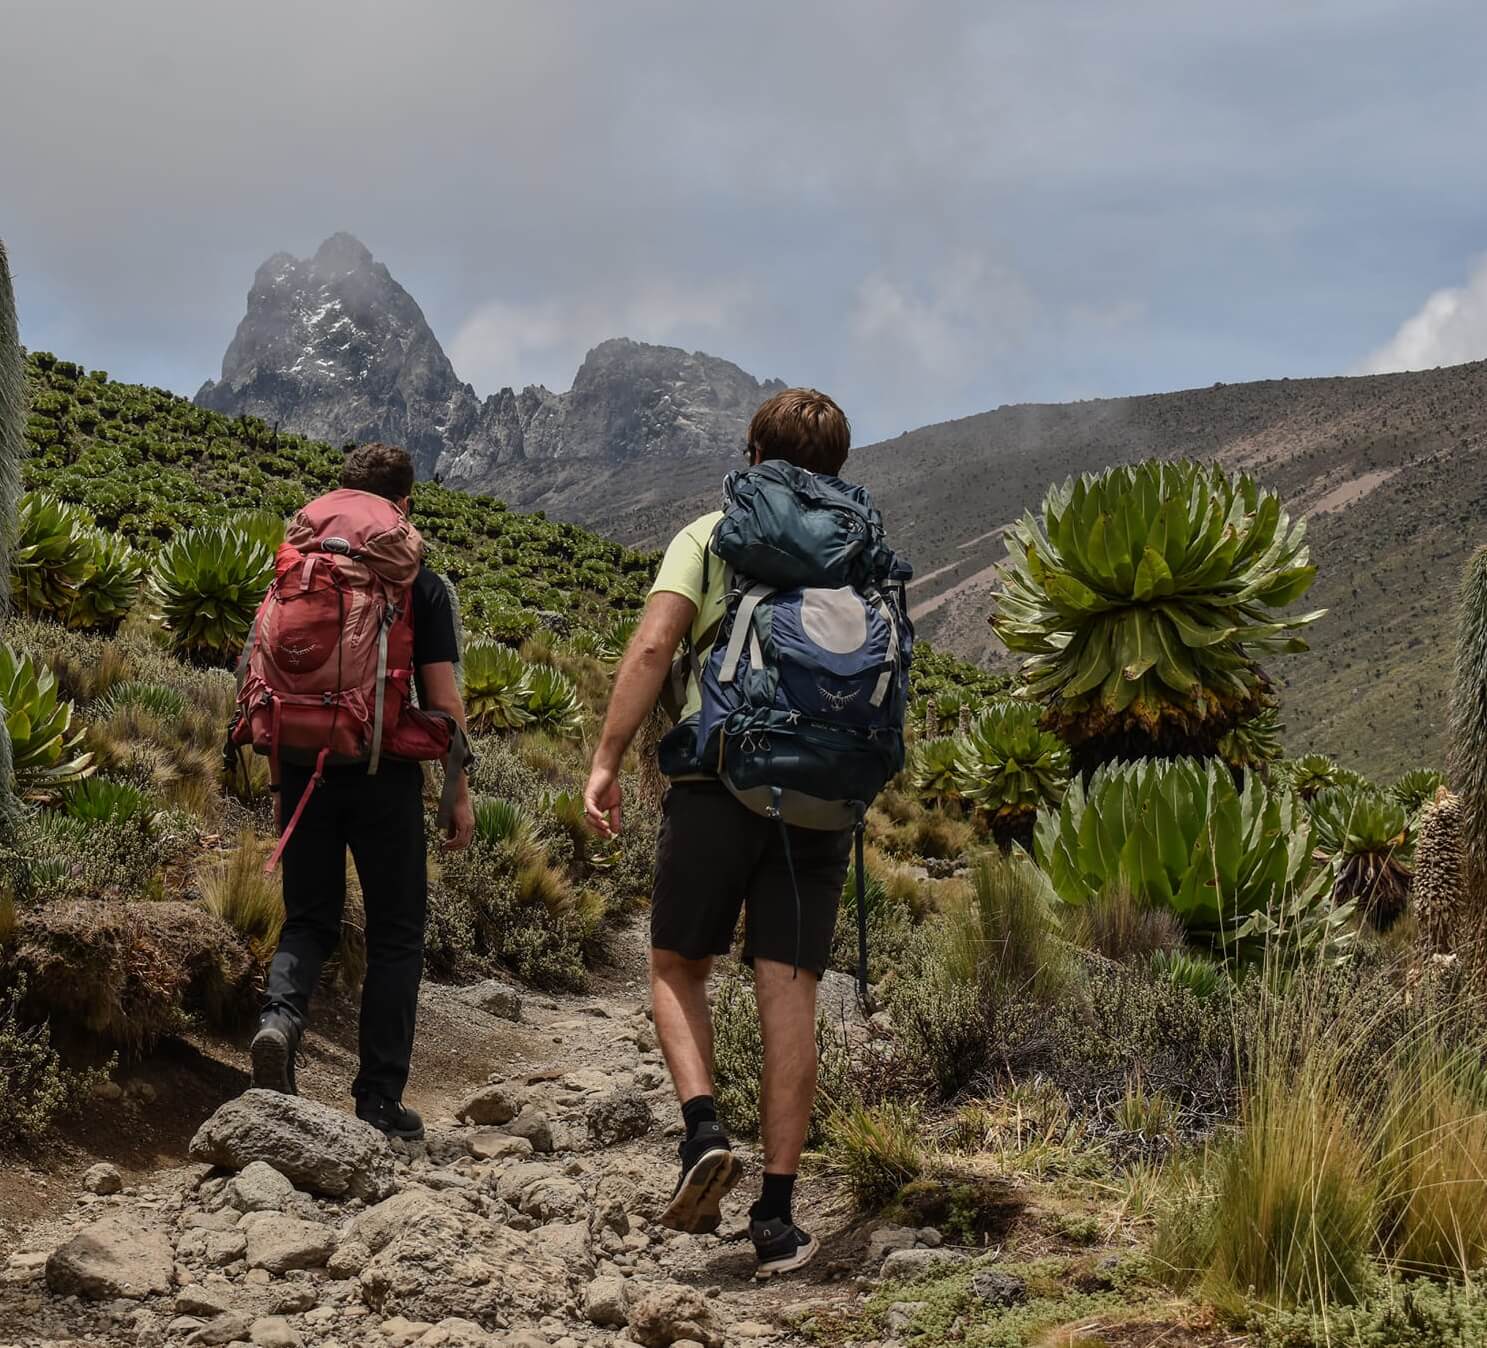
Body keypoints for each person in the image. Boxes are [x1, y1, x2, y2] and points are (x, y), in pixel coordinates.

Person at [583, 388, 858, 1279]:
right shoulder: (861, 549)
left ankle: (701, 1128)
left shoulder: (712, 533)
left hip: (714, 782)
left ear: (750, 451)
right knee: (789, 994)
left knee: (675, 964)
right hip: (820, 800)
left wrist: (608, 757)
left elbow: (656, 648)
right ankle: (776, 1216)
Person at [249, 442, 475, 1140]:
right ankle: (378, 1099)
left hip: (300, 762)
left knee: (309, 919)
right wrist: (457, 791)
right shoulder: (419, 585)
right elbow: (443, 700)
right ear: (403, 505)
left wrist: (279, 773)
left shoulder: (297, 568)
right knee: (397, 935)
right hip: (385, 776)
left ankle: (279, 1023)